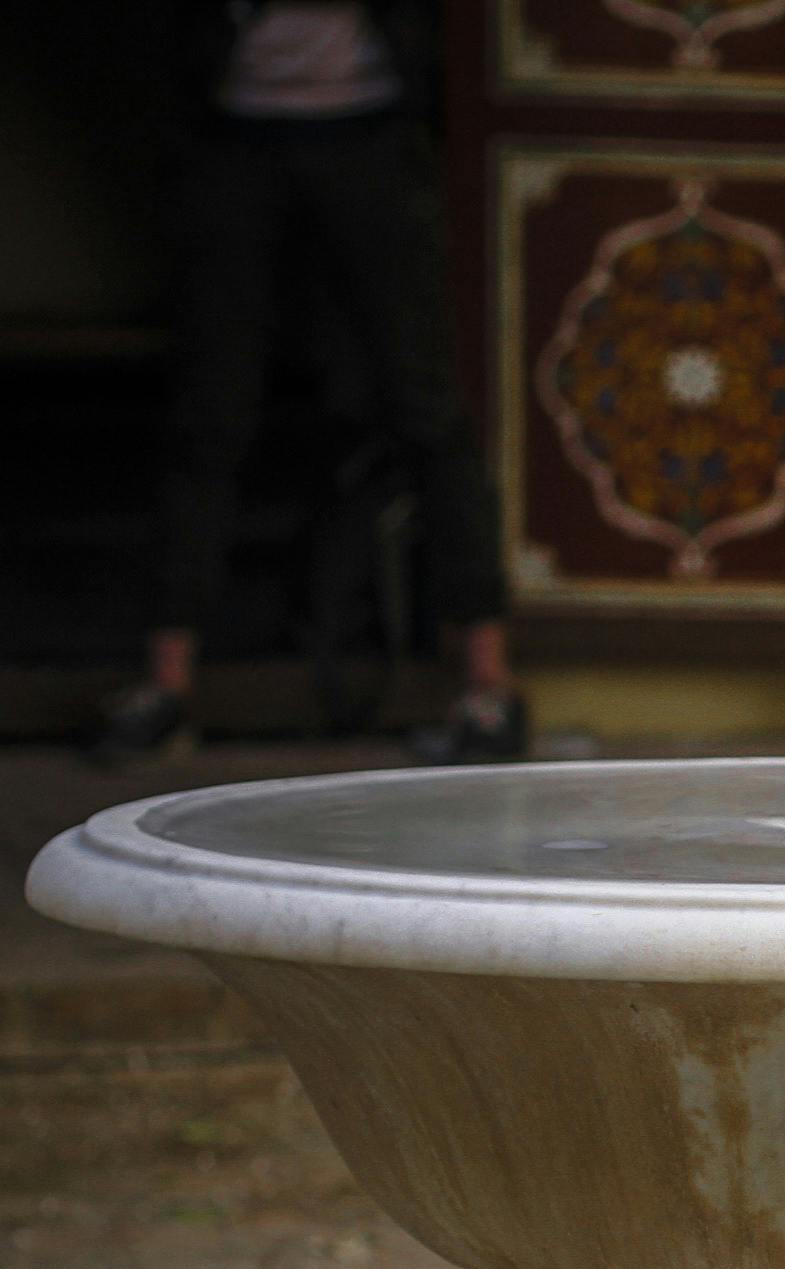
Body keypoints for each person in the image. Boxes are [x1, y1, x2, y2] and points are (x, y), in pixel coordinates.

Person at [97, 0, 523, 769]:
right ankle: (166, 683)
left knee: (424, 404)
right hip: (234, 130)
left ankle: (488, 683)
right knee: (208, 411)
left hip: (373, 130)